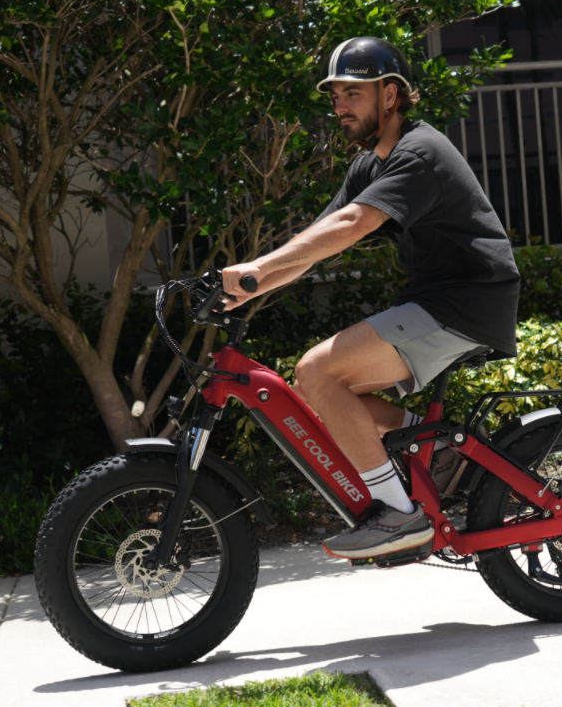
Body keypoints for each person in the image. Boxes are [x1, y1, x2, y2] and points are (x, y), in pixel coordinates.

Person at [222, 36, 519, 559]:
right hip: (436, 302)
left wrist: (258, 268)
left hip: (466, 303)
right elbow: (315, 245)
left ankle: (399, 517)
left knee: (318, 371)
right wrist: (248, 289)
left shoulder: (419, 152)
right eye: (335, 94)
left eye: (352, 93)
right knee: (329, 392)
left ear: (390, 95)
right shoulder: (370, 165)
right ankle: (445, 454)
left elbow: (355, 223)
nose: (338, 105)